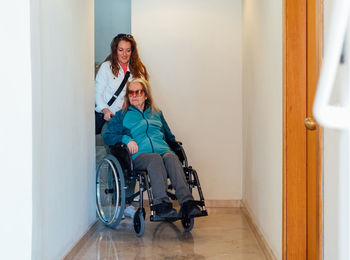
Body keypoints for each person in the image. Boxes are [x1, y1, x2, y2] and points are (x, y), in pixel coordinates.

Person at [103, 78, 202, 218]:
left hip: (162, 151)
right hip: (139, 155)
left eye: (138, 92)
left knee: (172, 157)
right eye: (131, 93)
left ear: (146, 95)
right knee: (155, 159)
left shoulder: (157, 113)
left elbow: (169, 136)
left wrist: (176, 150)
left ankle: (187, 204)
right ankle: (162, 205)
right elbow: (108, 135)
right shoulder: (122, 115)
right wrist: (126, 139)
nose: (134, 95)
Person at [95, 33, 148, 218]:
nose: (124, 54)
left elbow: (143, 93)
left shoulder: (138, 69)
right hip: (112, 118)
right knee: (116, 155)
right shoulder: (106, 68)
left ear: (132, 51)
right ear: (115, 50)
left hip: (131, 119)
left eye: (128, 50)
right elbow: (98, 94)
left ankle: (127, 202)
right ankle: (117, 200)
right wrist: (106, 111)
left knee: (132, 157)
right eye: (121, 50)